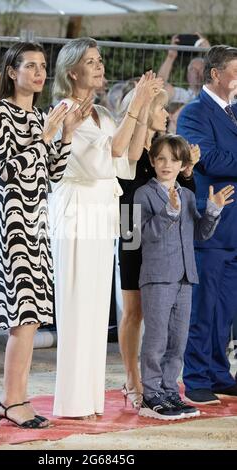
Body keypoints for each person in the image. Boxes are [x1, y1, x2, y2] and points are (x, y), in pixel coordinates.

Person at [50, 37, 163, 419]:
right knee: (78, 305)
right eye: (91, 61)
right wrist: (135, 104)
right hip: (77, 210)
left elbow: (131, 154)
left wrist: (143, 105)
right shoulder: (66, 110)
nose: (99, 67)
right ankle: (71, 400)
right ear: (72, 72)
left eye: (100, 60)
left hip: (101, 210)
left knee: (98, 310)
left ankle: (90, 399)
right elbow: (112, 151)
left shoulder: (100, 111)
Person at [0, 41, 88, 428]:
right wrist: (45, 136)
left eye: (43, 65)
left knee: (30, 318)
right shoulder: (0, 112)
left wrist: (64, 136)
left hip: (38, 222)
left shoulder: (41, 116)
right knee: (21, 318)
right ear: (12, 72)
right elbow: (9, 169)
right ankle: (13, 400)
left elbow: (52, 174)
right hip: (13, 222)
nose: (40, 72)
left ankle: (13, 399)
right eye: (31, 66)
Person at [134, 134, 234, 420]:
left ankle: (169, 391)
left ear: (183, 165)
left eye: (174, 160)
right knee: (156, 340)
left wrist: (213, 211)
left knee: (178, 341)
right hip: (157, 277)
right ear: (152, 161)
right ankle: (150, 395)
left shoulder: (188, 195)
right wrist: (168, 212)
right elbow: (140, 236)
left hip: (186, 278)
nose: (167, 165)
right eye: (161, 158)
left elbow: (201, 233)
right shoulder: (143, 194)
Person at [117, 87, 198, 410]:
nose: (166, 114)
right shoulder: (133, 143)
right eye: (161, 108)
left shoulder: (164, 147)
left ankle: (158, 385)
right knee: (133, 310)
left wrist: (188, 172)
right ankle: (132, 379)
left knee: (157, 317)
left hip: (164, 236)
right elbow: (127, 189)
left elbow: (184, 193)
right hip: (131, 222)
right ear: (145, 108)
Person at [177, 45, 237, 404]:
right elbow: (210, 160)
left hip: (235, 228)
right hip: (211, 224)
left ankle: (218, 371)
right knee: (203, 306)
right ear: (216, 74)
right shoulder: (193, 114)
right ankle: (196, 375)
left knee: (225, 309)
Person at [157, 34, 209, 105]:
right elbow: (160, 87)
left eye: (201, 69)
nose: (198, 73)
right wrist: (170, 57)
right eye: (193, 69)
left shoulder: (215, 93)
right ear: (188, 75)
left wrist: (209, 52)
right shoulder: (183, 95)